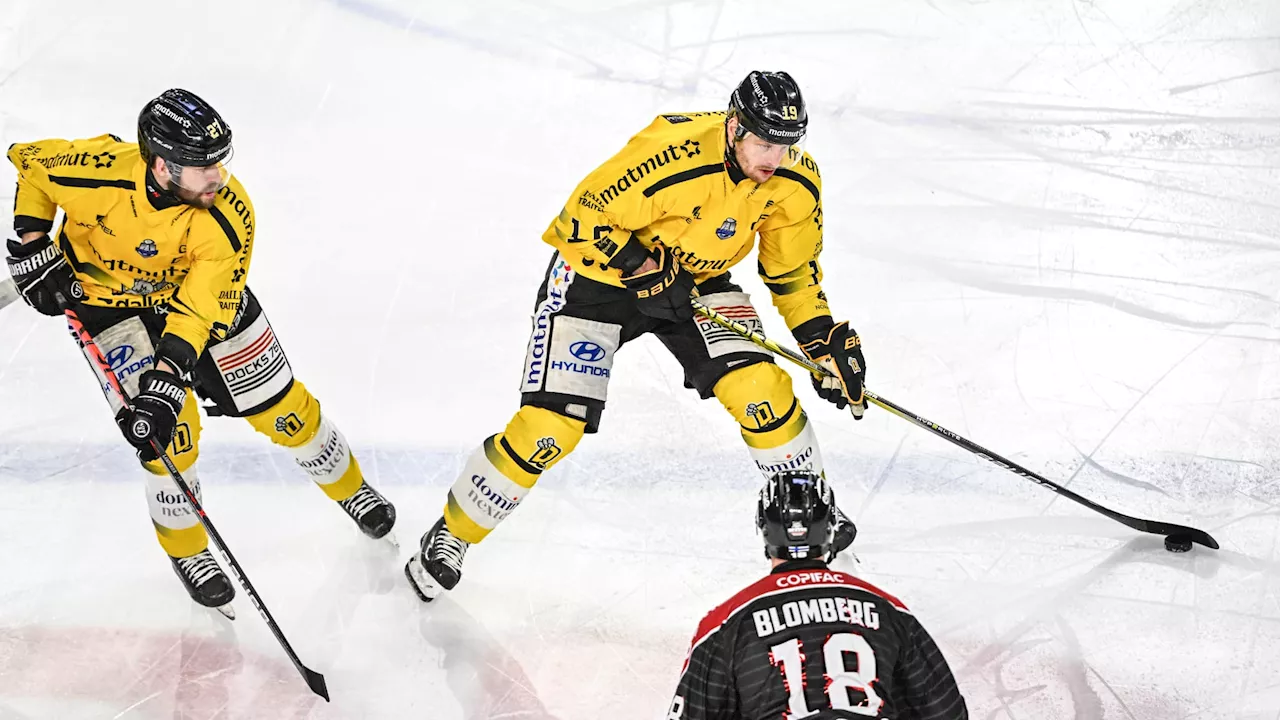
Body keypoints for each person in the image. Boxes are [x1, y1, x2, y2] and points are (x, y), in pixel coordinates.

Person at [406, 70, 867, 601]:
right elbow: (580, 217)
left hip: (694, 283)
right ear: (735, 126)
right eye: (764, 142)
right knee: (551, 427)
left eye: (786, 145)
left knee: (761, 389)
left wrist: (820, 343)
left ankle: (811, 505)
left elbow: (793, 276)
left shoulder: (795, 182)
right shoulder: (671, 153)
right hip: (596, 281)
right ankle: (451, 535)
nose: (775, 159)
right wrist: (641, 266)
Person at [5, 88, 396, 617]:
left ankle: (351, 488)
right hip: (106, 308)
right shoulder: (96, 170)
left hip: (196, 301)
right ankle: (189, 552)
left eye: (220, 162)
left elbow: (197, 311)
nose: (218, 177)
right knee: (168, 435)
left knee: (283, 409)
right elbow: (31, 165)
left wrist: (168, 377)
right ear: (162, 166)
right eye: (201, 167)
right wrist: (31, 242)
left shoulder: (229, 216)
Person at [668, 470, 968, 719]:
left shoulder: (727, 621)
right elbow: (947, 712)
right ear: (830, 529)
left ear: (763, 529)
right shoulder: (887, 608)